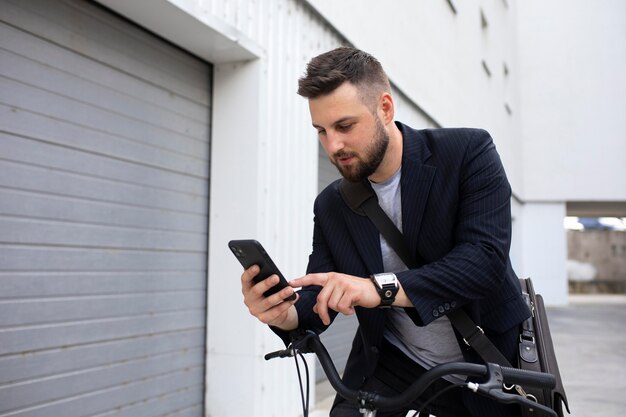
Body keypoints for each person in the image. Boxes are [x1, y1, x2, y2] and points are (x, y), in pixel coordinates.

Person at [241, 46, 530, 417]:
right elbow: (319, 292)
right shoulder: (332, 204)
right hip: (392, 365)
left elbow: (483, 262)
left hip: (489, 362)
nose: (333, 146)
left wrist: (379, 288)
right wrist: (285, 316)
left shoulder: (467, 153)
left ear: (386, 108)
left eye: (344, 126)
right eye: (321, 131)